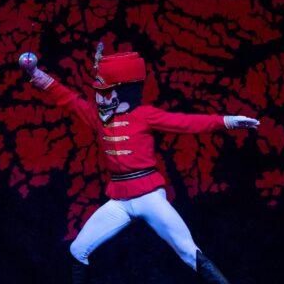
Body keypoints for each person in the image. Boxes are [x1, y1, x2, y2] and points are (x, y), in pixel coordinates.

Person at [18, 49, 259, 283]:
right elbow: (68, 99)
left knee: (188, 252)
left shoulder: (144, 115)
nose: (99, 98)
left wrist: (226, 121)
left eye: (106, 93)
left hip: (149, 197)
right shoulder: (98, 119)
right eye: (99, 93)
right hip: (120, 201)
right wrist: (37, 74)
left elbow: (185, 123)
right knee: (78, 249)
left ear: (123, 94)